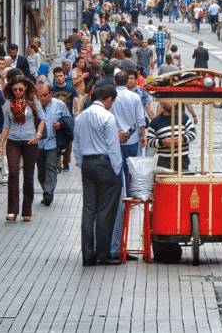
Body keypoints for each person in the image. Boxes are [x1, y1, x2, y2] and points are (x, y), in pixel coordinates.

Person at [74, 84, 123, 266]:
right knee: (105, 209)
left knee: (89, 209)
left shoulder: (81, 117)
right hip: (104, 163)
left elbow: (77, 145)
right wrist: (117, 171)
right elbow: (113, 147)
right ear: (109, 98)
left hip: (87, 163)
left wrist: (81, 163)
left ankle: (88, 254)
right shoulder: (107, 117)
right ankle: (103, 253)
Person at [0, 76, 46, 221]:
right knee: (13, 174)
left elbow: (42, 118)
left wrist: (38, 135)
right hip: (13, 141)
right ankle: (12, 210)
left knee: (29, 177)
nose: (18, 92)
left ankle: (27, 210)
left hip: (30, 141)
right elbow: (6, 125)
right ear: (11, 90)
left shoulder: (33, 102)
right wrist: (0, 145)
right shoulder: (7, 104)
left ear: (25, 88)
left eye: (21, 89)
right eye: (15, 89)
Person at [109, 71, 147, 260]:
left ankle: (123, 193)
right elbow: (141, 120)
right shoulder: (134, 97)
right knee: (131, 171)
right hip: (131, 141)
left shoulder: (112, 98)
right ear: (128, 82)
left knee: (120, 172)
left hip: (116, 142)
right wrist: (142, 136)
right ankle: (130, 194)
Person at [35, 83, 72, 206]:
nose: (42, 98)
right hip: (38, 144)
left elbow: (69, 121)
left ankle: (48, 192)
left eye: (45, 95)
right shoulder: (34, 106)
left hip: (53, 143)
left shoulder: (60, 105)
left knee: (50, 168)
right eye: (39, 96)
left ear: (50, 94)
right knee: (41, 172)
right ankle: (46, 189)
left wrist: (60, 125)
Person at [148, 101, 197, 170]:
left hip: (182, 160)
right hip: (164, 162)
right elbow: (149, 141)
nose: (170, 103)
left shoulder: (183, 116)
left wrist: (183, 139)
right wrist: (162, 142)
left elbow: (193, 132)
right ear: (161, 103)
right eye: (168, 101)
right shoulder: (155, 122)